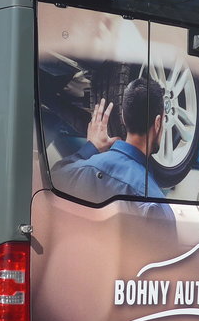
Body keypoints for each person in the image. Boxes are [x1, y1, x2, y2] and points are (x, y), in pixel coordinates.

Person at [51, 77, 175, 234]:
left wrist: (91, 148)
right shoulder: (156, 204)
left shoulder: (82, 169)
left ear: (123, 116)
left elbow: (52, 178)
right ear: (158, 123)